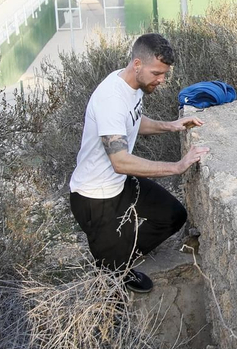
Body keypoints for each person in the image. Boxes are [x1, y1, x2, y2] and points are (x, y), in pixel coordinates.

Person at [66, 33, 207, 293]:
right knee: (110, 291)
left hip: (119, 184)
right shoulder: (111, 99)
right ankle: (113, 268)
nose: (161, 80)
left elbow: (134, 121)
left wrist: (171, 125)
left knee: (173, 216)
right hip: (95, 198)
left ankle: (117, 260)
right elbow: (120, 161)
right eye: (157, 73)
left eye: (164, 74)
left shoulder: (132, 86)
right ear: (137, 64)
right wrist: (177, 166)